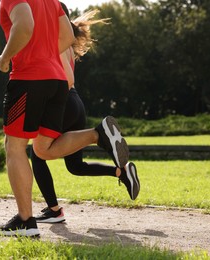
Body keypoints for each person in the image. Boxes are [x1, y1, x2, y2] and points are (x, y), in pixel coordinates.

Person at [0, 0, 136, 238]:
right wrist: (46, 55)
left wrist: (6, 57)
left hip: (29, 78)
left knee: (14, 148)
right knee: (43, 150)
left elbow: (25, 26)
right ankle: (98, 134)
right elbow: (68, 36)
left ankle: (26, 221)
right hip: (57, 81)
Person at [32, 3, 140, 224]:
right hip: (74, 103)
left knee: (37, 153)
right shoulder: (66, 42)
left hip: (63, 101)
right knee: (75, 167)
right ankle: (122, 173)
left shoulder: (57, 41)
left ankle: (53, 210)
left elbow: (67, 78)